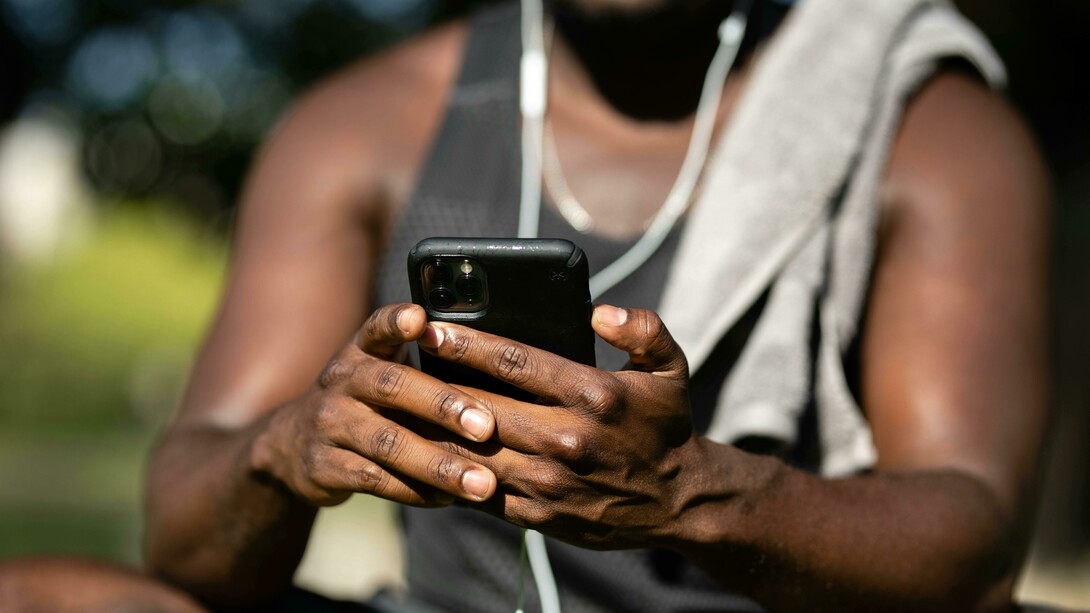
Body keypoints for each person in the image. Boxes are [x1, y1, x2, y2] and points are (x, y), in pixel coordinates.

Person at [143, 0, 1050, 610]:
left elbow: (976, 553)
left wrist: (693, 493)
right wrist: (287, 449)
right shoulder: (362, 126)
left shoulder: (925, 125)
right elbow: (182, 542)